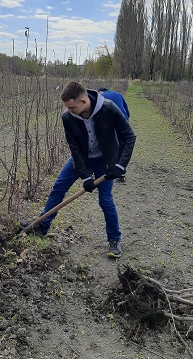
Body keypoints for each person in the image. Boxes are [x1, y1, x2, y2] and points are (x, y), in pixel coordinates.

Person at [22, 81, 136, 258]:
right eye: (67, 107)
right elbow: (74, 147)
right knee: (59, 187)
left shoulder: (109, 108)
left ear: (83, 101)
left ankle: (114, 240)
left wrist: (120, 165)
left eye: (72, 107)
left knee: (105, 200)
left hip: (104, 161)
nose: (69, 111)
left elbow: (129, 136)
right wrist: (84, 175)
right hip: (82, 158)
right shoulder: (68, 118)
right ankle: (42, 226)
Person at [97, 87, 130, 183]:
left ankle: (108, 168)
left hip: (109, 124)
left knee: (110, 147)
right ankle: (121, 174)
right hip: (122, 121)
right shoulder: (117, 94)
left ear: (100, 91)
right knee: (122, 146)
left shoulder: (100, 96)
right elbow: (127, 110)